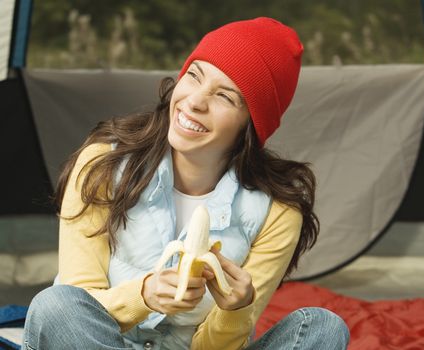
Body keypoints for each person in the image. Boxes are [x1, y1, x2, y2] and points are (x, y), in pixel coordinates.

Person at [22, 17, 349, 350]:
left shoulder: (277, 211)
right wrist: (144, 295)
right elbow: (78, 306)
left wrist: (235, 309)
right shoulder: (102, 164)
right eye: (194, 75)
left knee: (322, 327)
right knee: (55, 305)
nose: (194, 101)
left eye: (225, 96)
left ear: (251, 123)